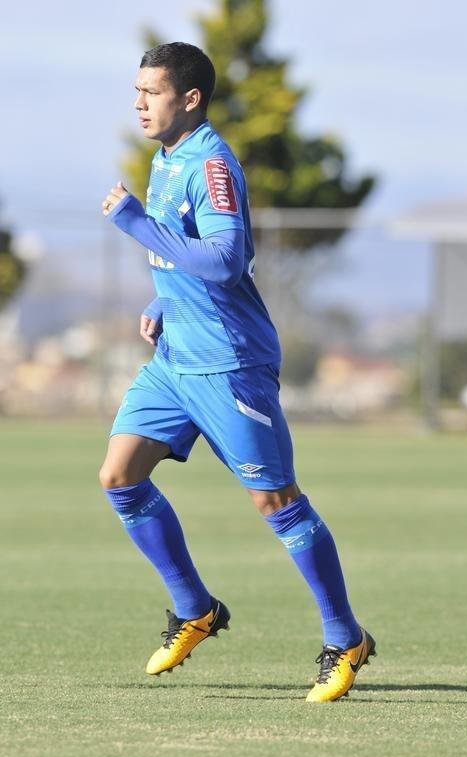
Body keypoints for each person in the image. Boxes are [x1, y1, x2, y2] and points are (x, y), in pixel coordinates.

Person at [99, 41, 375, 702]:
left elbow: (225, 262)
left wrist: (134, 223)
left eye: (151, 92)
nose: (139, 103)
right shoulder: (166, 159)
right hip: (175, 360)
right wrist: (162, 303)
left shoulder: (212, 164)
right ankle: (194, 608)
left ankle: (346, 638)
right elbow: (184, 257)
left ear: (190, 98)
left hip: (229, 363)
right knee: (119, 476)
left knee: (276, 503)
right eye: (137, 91)